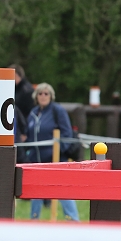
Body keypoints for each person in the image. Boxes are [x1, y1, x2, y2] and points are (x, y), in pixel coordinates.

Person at [25, 82, 80, 221]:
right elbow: (29, 136)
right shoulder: (33, 113)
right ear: (36, 96)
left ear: (51, 96)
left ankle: (74, 220)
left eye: (46, 93)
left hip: (55, 159)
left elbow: (67, 134)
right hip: (36, 160)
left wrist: (58, 151)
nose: (43, 96)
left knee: (62, 189)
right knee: (35, 191)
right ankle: (34, 220)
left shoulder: (57, 111)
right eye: (40, 93)